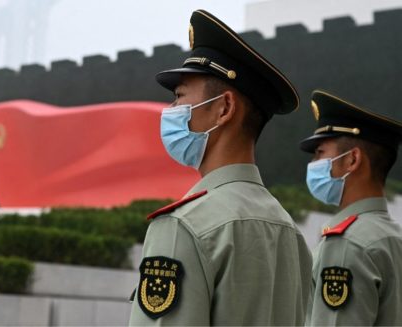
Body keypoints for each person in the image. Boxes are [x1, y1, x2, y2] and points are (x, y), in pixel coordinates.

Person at [128, 9, 312, 326]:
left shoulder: (185, 225)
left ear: (224, 108)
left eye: (179, 97)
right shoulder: (289, 231)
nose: (170, 110)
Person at [301, 90, 402, 325]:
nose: (312, 164)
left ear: (352, 160)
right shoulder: (392, 237)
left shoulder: (347, 243)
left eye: (320, 154)